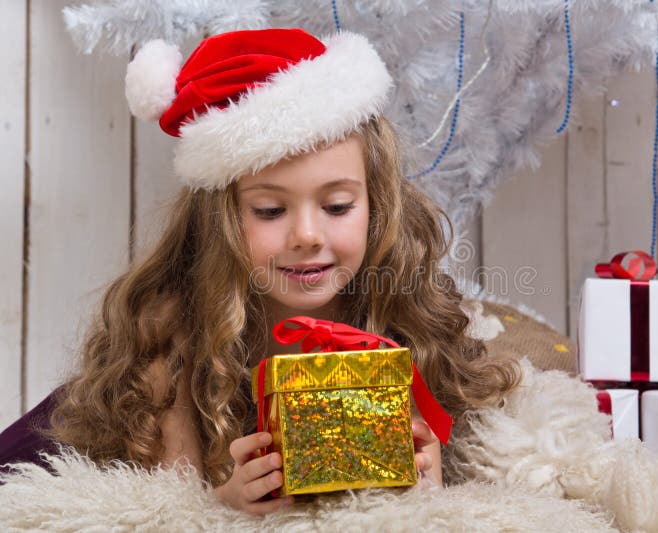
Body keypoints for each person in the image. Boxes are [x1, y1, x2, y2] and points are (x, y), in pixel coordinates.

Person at [0, 28, 519, 515]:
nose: (307, 235)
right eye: (270, 212)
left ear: (376, 206)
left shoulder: (398, 318)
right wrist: (225, 502)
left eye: (337, 207)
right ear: (220, 222)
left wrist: (425, 485)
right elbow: (164, 510)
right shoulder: (168, 344)